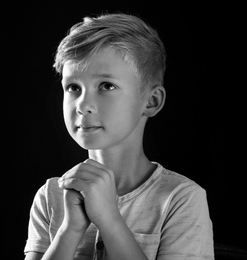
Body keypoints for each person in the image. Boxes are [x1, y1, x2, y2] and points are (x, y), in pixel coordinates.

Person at [24, 13, 214, 260]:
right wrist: (69, 230)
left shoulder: (181, 199)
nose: (83, 104)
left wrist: (109, 218)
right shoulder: (50, 196)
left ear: (151, 101)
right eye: (73, 88)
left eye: (106, 86)